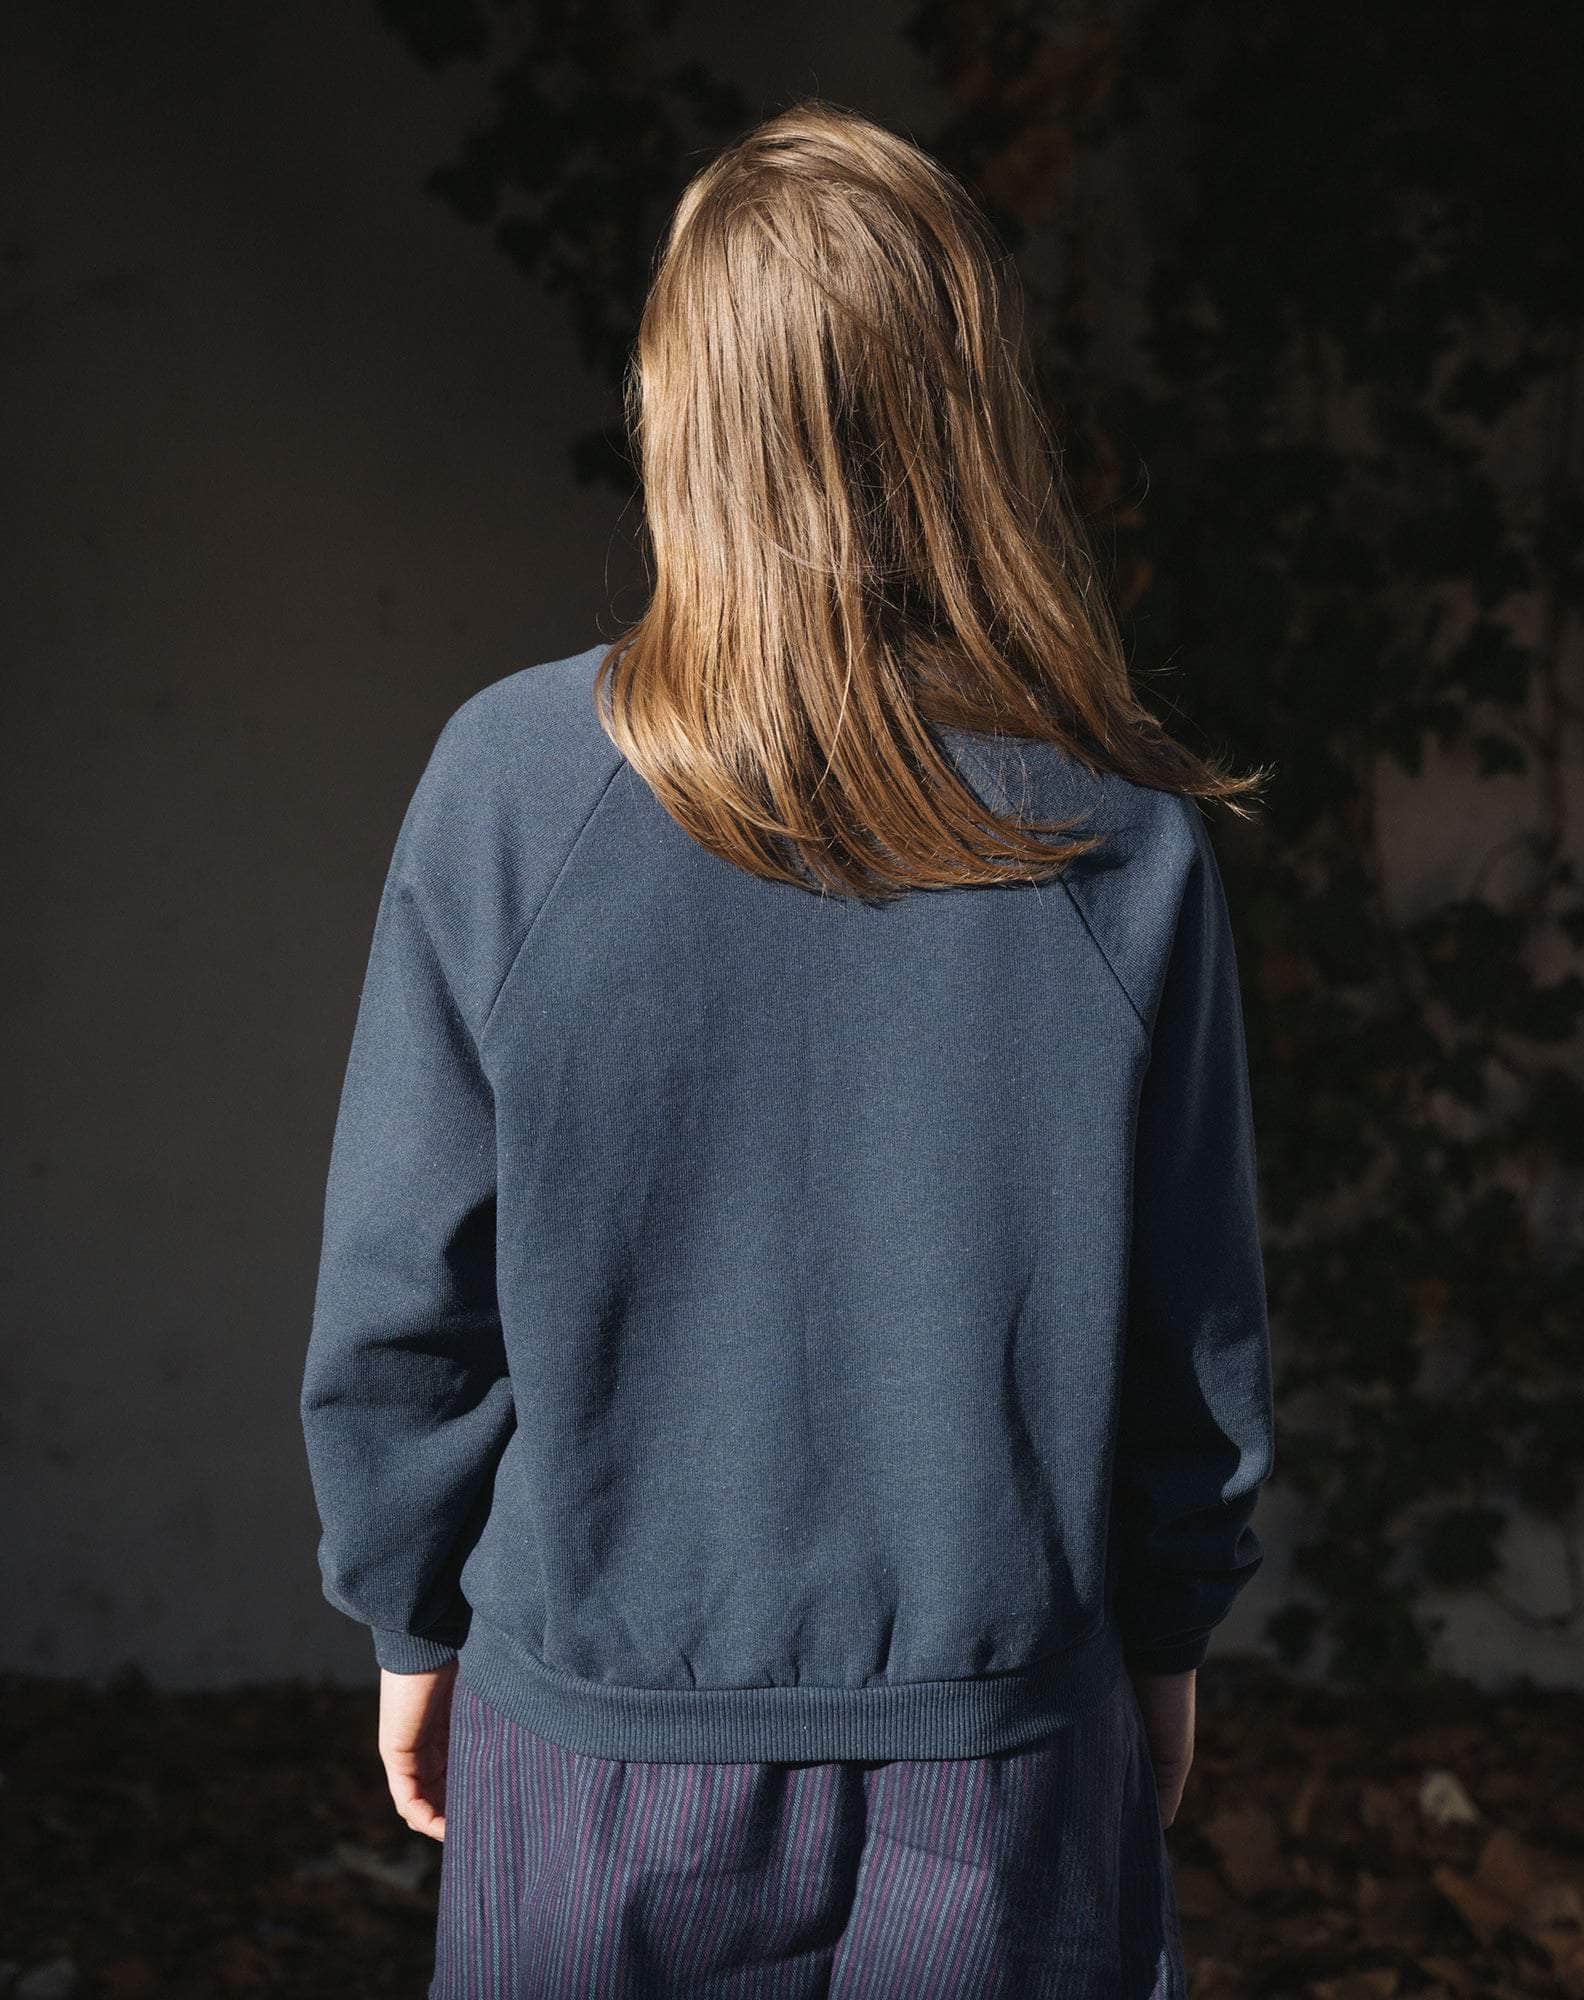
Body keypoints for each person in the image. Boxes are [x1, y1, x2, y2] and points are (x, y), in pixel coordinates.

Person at [300, 96, 1276, 2000]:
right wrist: (1169, 1637)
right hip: (1004, 1753)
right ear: (972, 415)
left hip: (598, 1756)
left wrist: (407, 1614)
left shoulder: (513, 789)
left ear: (682, 408)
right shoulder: (1116, 829)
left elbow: (406, 1282)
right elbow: (1195, 1325)